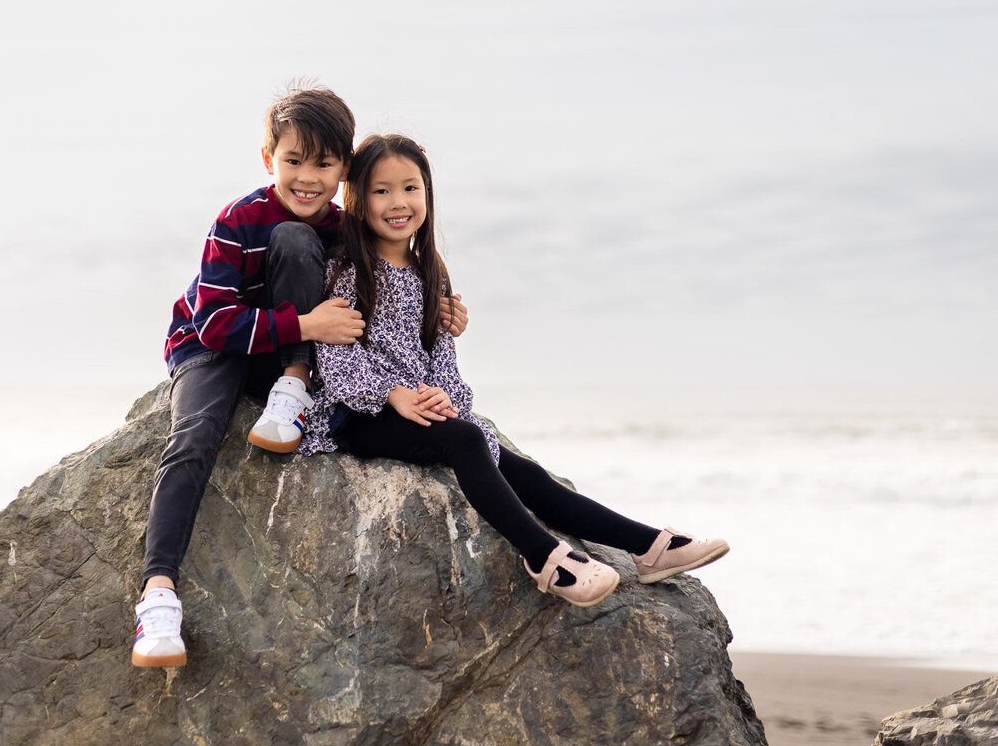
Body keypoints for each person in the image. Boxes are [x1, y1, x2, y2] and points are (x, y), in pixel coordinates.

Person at [298, 134, 729, 607]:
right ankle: (546, 559)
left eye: (410, 188)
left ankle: (648, 547)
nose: (398, 202)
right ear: (358, 199)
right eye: (382, 191)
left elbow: (443, 358)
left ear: (427, 193)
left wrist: (447, 398)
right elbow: (337, 362)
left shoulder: (431, 273)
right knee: (464, 440)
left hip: (420, 410)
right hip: (358, 416)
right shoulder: (348, 269)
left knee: (519, 469)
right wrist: (393, 394)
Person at [133, 89, 468, 668]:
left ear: (345, 171)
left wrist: (443, 310)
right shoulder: (239, 219)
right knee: (193, 437)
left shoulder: (348, 231)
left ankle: (292, 388)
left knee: (299, 240)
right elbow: (213, 324)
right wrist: (306, 323)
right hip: (214, 350)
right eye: (293, 161)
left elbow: (387, 295)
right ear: (269, 159)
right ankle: (158, 596)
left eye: (324, 164)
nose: (307, 178)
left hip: (288, 357)